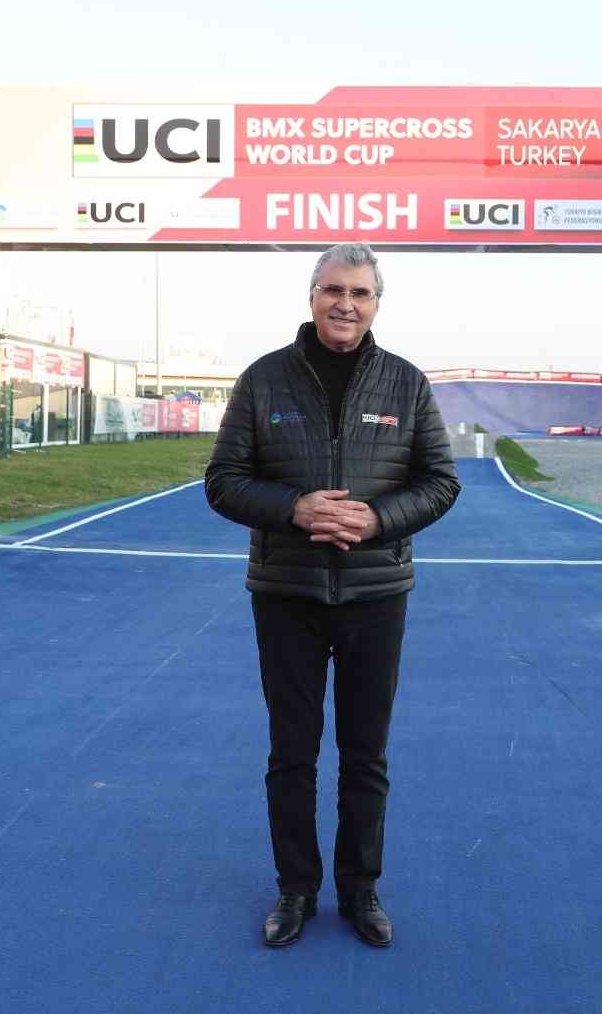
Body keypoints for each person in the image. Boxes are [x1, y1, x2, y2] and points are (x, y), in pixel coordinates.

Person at [205, 243, 460, 949]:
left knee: (365, 753)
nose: (345, 304)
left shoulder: (406, 383)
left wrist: (377, 520)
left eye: (360, 292)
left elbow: (441, 482)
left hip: (377, 593)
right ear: (312, 295)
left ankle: (358, 888)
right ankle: (295, 888)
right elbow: (223, 481)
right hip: (286, 592)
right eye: (333, 290)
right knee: (292, 751)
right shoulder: (263, 379)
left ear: (376, 303)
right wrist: (295, 509)